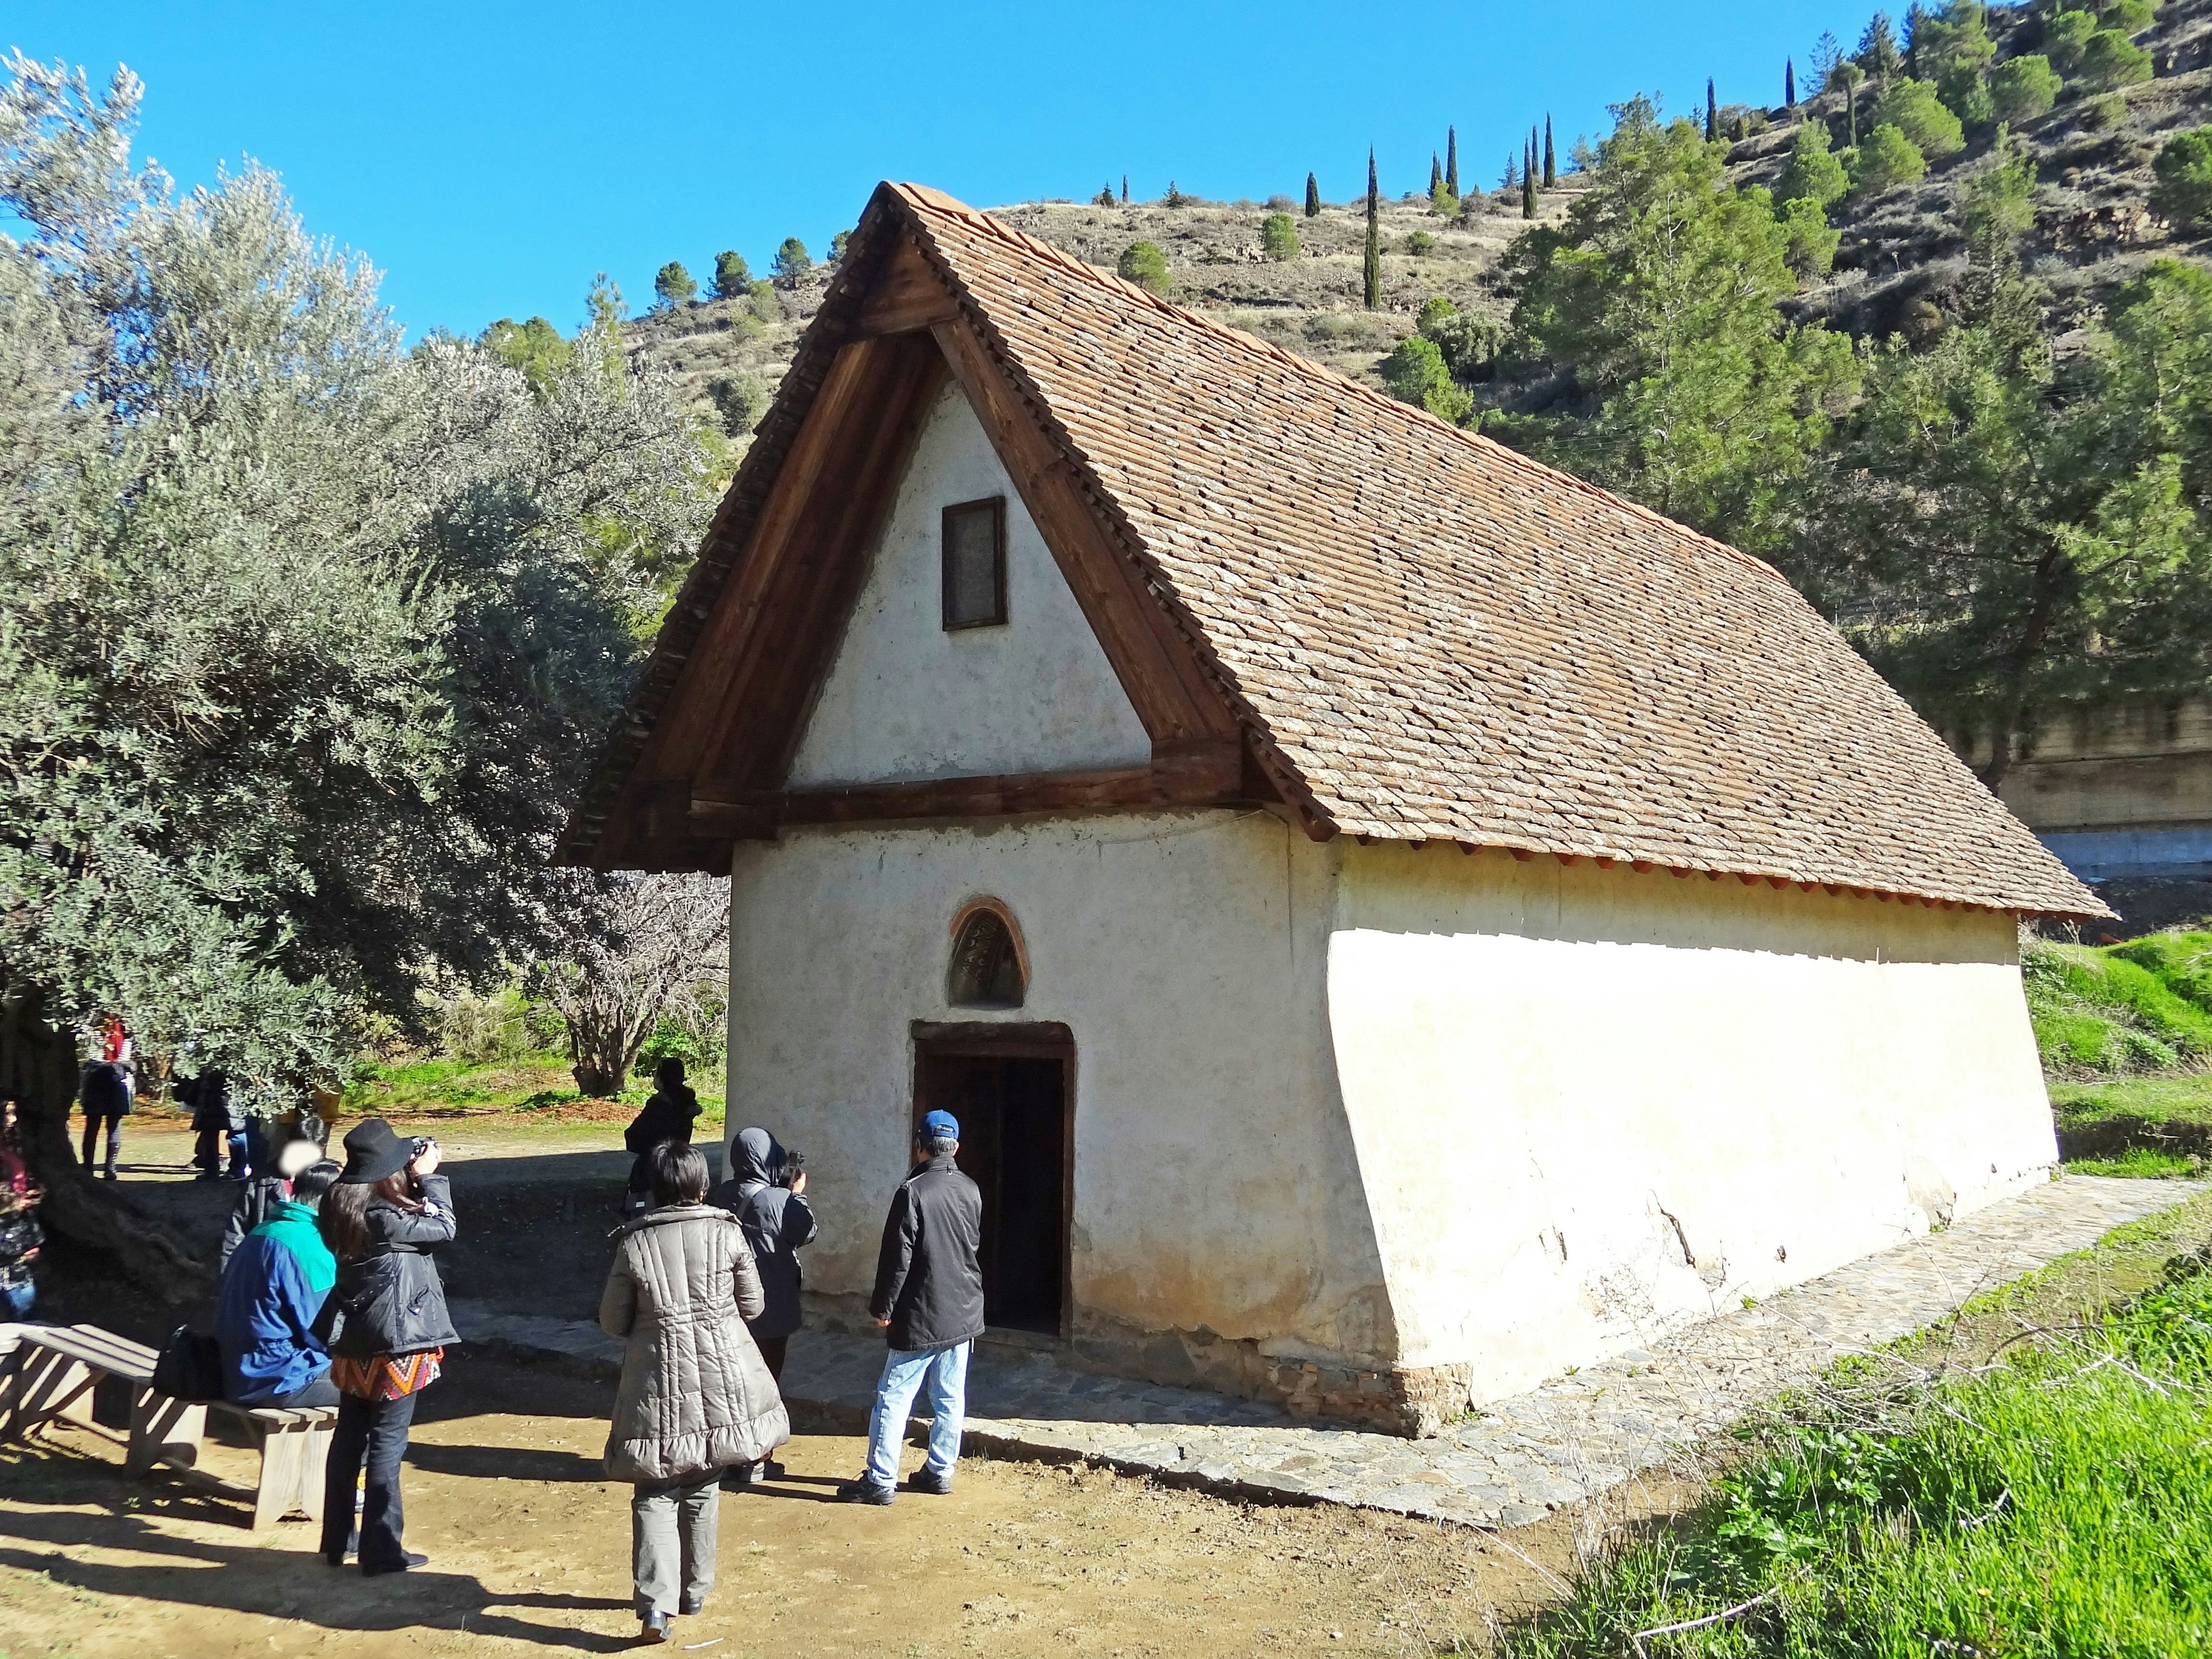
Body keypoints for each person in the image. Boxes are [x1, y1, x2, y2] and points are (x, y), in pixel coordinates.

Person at [602, 1141, 789, 1645]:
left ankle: (655, 1609)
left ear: (657, 1190)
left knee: (654, 1490)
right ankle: (695, 1589)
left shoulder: (633, 1244)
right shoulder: (728, 1234)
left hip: (655, 1384)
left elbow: (613, 1321)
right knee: (703, 1482)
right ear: (702, 1185)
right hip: (722, 1382)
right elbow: (753, 1306)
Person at [317, 1119, 459, 1575]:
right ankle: (382, 1551)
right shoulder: (387, 1218)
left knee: (349, 1438)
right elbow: (445, 1229)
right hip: (397, 1345)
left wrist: (409, 1184)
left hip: (355, 1339)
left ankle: (338, 1539)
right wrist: (432, 1178)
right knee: (387, 1443)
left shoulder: (339, 1203)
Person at [836, 1109, 983, 1505]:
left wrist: (884, 1306)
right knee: (950, 1396)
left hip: (921, 1311)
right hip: (964, 1309)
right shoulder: (971, 1188)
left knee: (894, 1395)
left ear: (919, 1145)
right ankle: (939, 1470)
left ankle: (881, 1480)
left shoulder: (913, 1191)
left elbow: (896, 1257)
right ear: (956, 1147)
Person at [711, 1126, 817, 1487]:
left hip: (727, 1307)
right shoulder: (778, 1201)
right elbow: (806, 1233)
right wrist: (797, 1196)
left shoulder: (717, 1195)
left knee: (730, 1382)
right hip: (770, 1309)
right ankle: (756, 1459)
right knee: (765, 1384)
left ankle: (728, 1456)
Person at [215, 1159, 343, 1408]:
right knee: (377, 1386)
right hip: (278, 1376)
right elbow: (325, 1333)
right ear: (334, 1200)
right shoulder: (309, 1246)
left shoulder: (264, 1230)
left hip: (234, 1367)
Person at [220, 1130, 330, 1272]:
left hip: (312, 1271)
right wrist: (228, 1274)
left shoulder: (329, 1181)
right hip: (266, 1267)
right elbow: (236, 1231)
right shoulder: (262, 1183)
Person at [622, 1059, 700, 1217]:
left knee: (642, 1206)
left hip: (653, 1167)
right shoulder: (686, 1102)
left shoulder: (658, 1106)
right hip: (679, 1164)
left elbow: (634, 1137)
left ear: (662, 1077)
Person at [0, 1099, 44, 1320]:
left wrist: (29, 1240)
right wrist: (13, 1203)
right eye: (7, 1114)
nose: (13, 1120)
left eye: (14, 1113)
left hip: (17, 1237)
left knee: (25, 1315)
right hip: (5, 1240)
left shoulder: (16, 1147)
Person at [179, 1066, 249, 1183]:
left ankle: (236, 1171)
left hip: (231, 1097)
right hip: (211, 1097)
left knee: (236, 1134)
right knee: (210, 1135)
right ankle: (213, 1171)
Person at [76, 1045, 134, 1183]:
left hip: (109, 1082)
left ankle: (96, 1167)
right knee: (102, 1127)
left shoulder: (96, 1030)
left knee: (98, 1127)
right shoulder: (124, 1032)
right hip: (114, 1082)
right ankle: (107, 1169)